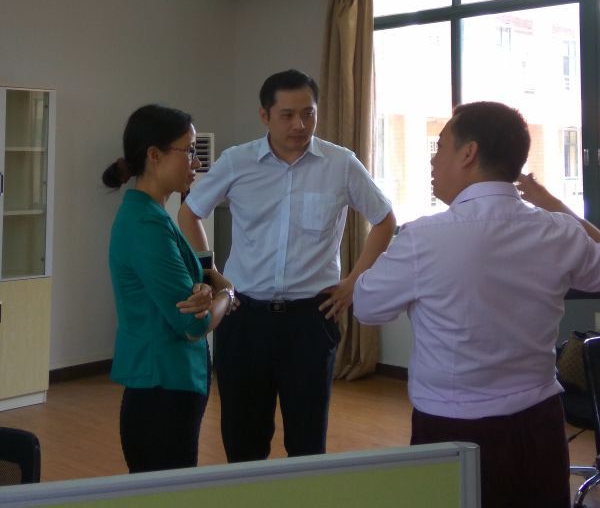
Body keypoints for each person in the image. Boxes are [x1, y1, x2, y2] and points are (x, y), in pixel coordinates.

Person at [353, 101, 600, 508]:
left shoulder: (423, 238)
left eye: (440, 146)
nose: (433, 160)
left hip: (453, 430)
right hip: (539, 423)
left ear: (468, 153)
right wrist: (555, 204)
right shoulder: (559, 232)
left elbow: (365, 307)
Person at [178, 69, 396, 462]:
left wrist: (354, 282)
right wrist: (210, 274)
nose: (300, 124)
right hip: (244, 318)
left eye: (308, 113)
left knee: (307, 441)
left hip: (310, 320)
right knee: (243, 441)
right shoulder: (237, 162)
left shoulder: (340, 164)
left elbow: (384, 220)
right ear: (265, 115)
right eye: (287, 115)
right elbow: (190, 213)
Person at [103, 104, 234, 473]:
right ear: (155, 155)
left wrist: (205, 287)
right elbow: (193, 323)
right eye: (189, 150)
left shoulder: (155, 214)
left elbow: (184, 287)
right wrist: (227, 296)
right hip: (162, 389)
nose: (196, 160)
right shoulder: (147, 225)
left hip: (168, 384)